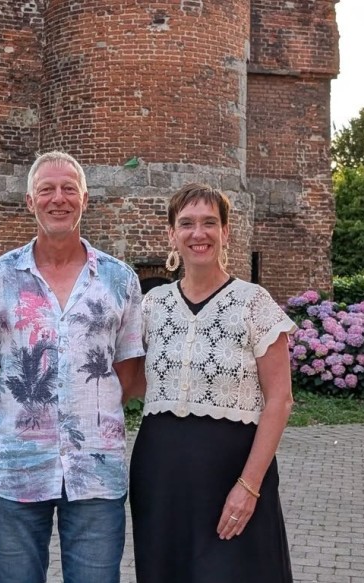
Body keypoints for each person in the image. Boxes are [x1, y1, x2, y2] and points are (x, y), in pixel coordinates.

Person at [0, 151, 145, 583]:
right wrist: (27, 417)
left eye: (69, 189)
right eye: (46, 189)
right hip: (16, 468)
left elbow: (128, 370)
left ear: (85, 199)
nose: (58, 198)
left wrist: (89, 410)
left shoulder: (120, 279)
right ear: (30, 201)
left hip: (95, 469)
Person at [129, 183, 296, 582]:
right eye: (186, 223)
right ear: (172, 234)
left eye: (209, 222)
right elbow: (131, 383)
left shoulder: (253, 303)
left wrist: (249, 486)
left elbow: (280, 400)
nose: (198, 233)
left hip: (232, 476)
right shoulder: (152, 306)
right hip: (161, 477)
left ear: (225, 232)